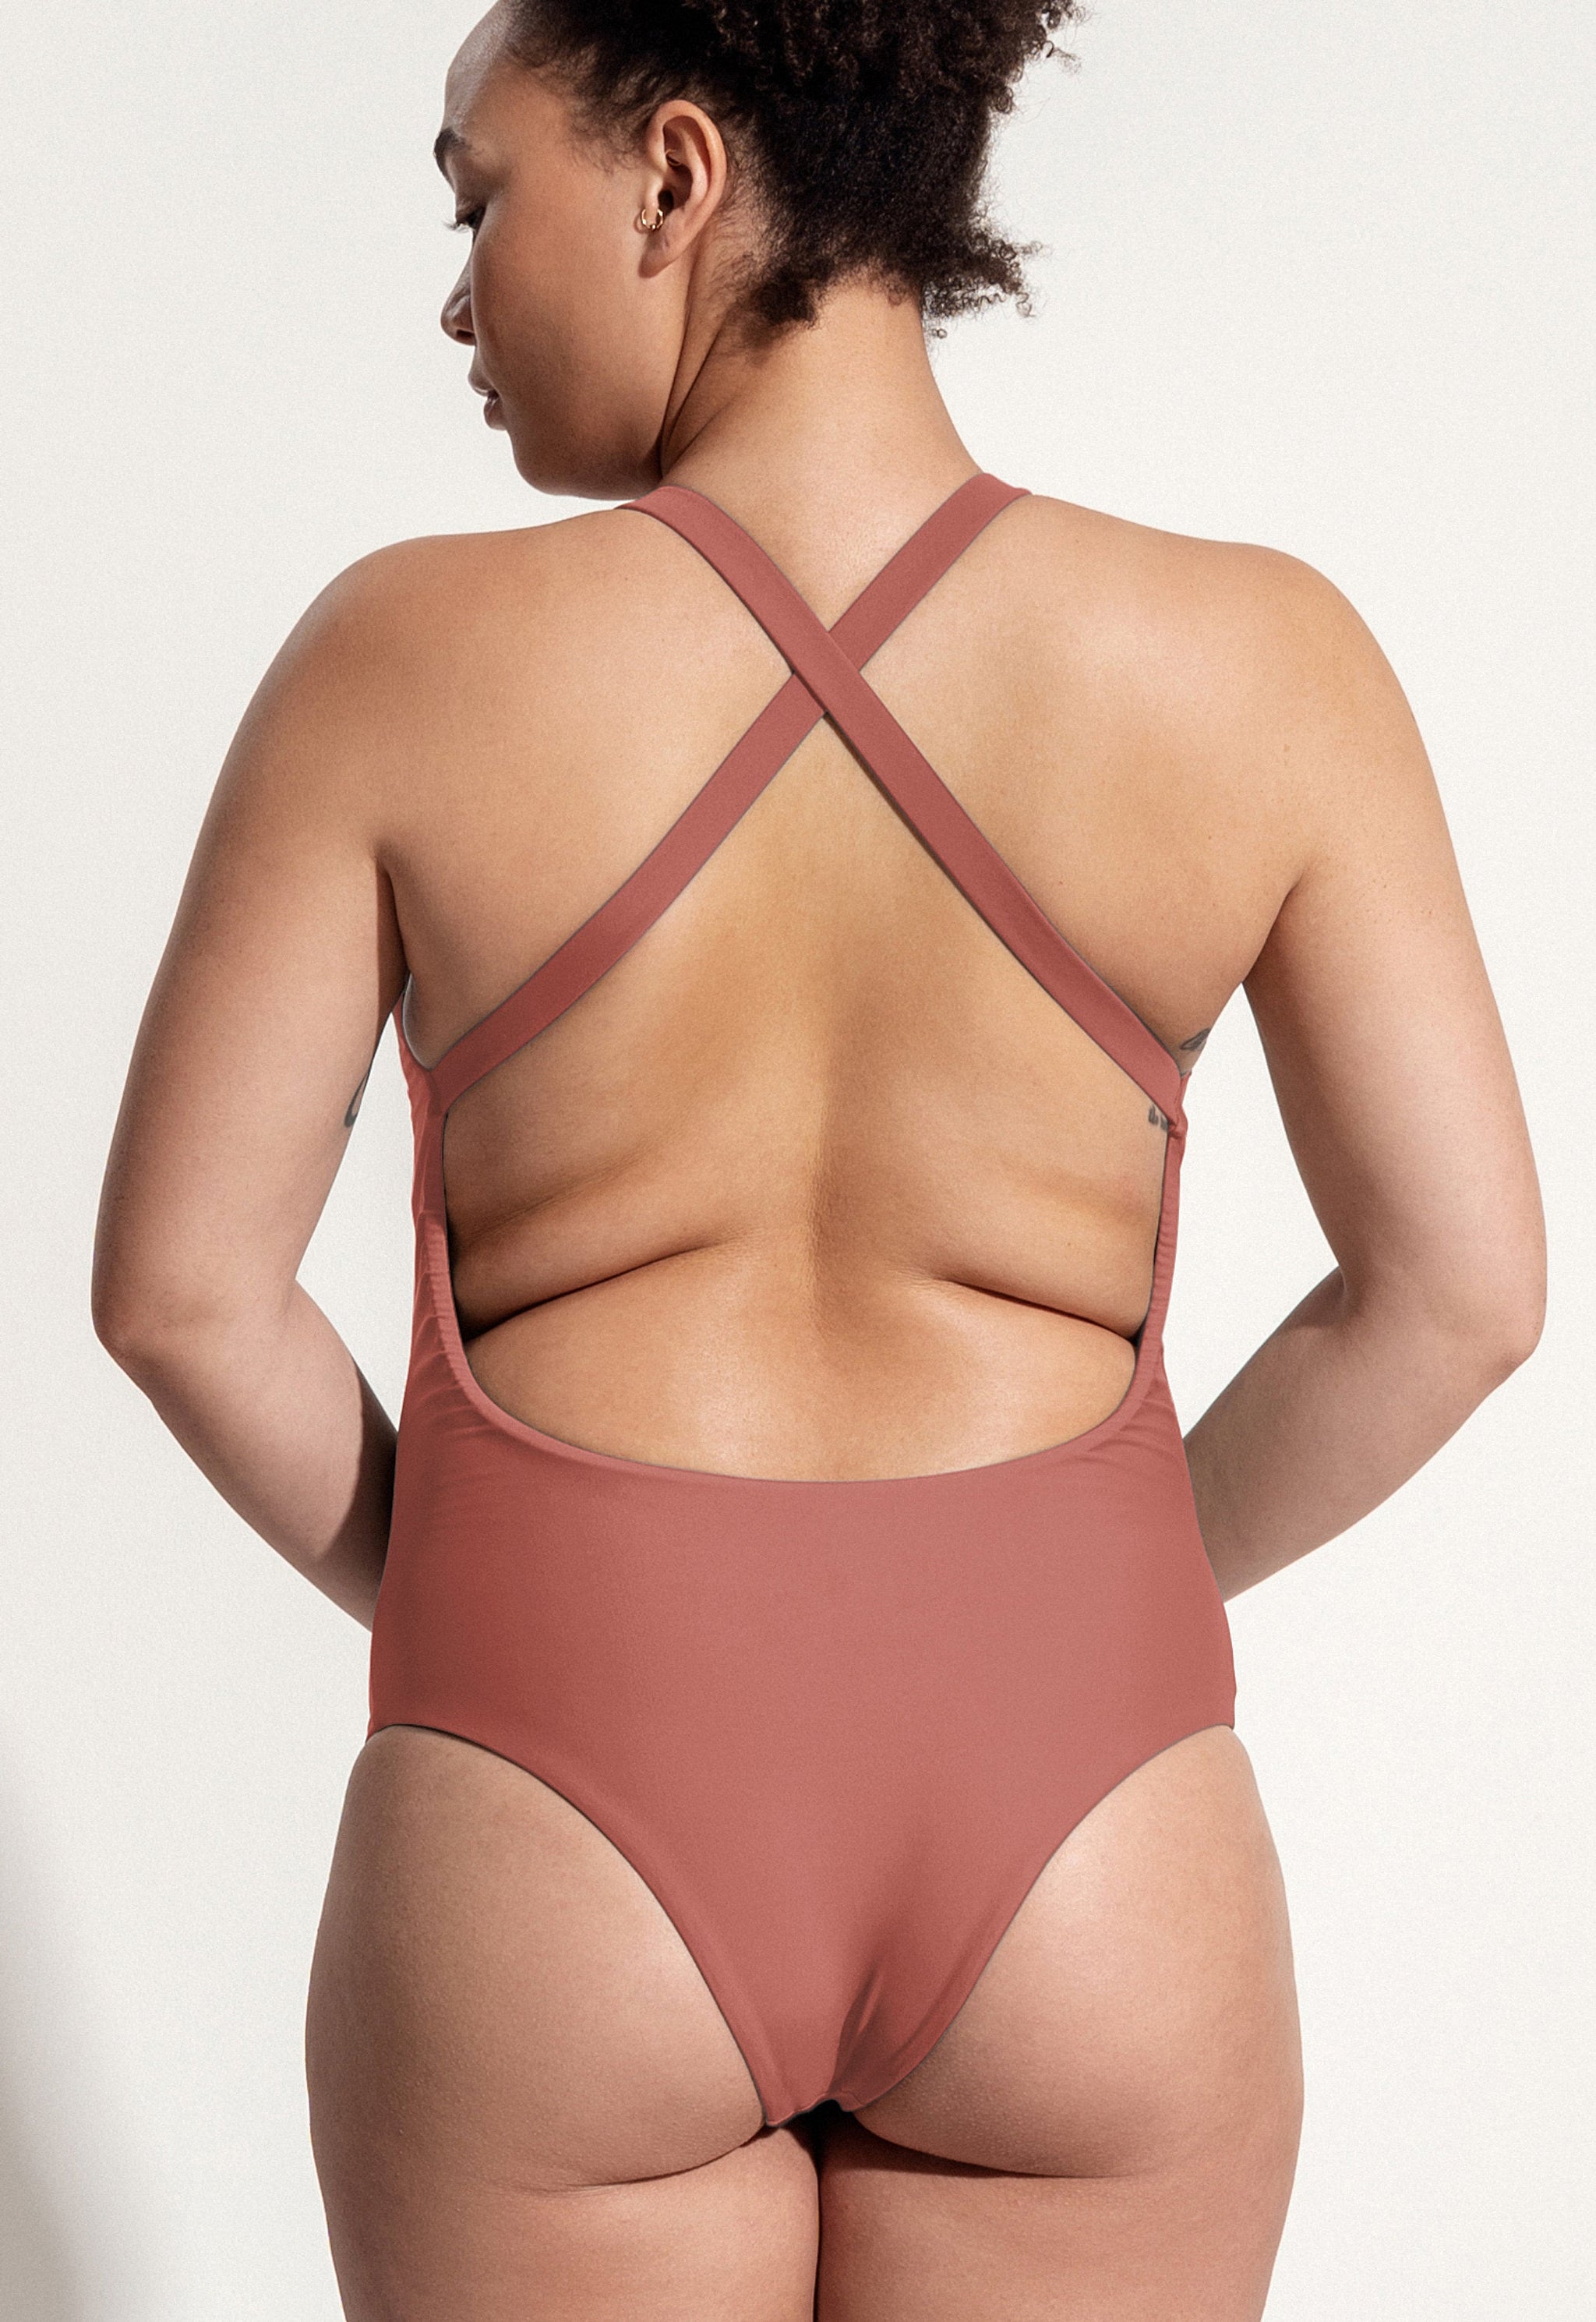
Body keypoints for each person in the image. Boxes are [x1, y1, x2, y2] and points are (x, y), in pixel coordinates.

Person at [91, 3, 1545, 2314]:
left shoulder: (399, 658)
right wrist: (1073, 1597)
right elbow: (1461, 1289)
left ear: (677, 175)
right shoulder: (1267, 662)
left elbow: (181, 1295)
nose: (456, 301)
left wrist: (509, 1607)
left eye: (479, 201)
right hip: (1089, 1823)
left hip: (556, 1806)